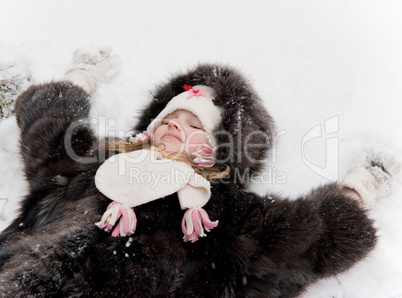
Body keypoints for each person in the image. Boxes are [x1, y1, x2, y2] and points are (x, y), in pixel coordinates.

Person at [0, 49, 398, 297]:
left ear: (213, 153)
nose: (175, 127)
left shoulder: (223, 213)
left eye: (194, 127)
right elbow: (49, 127)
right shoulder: (97, 163)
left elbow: (313, 240)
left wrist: (357, 189)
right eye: (169, 120)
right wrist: (80, 79)